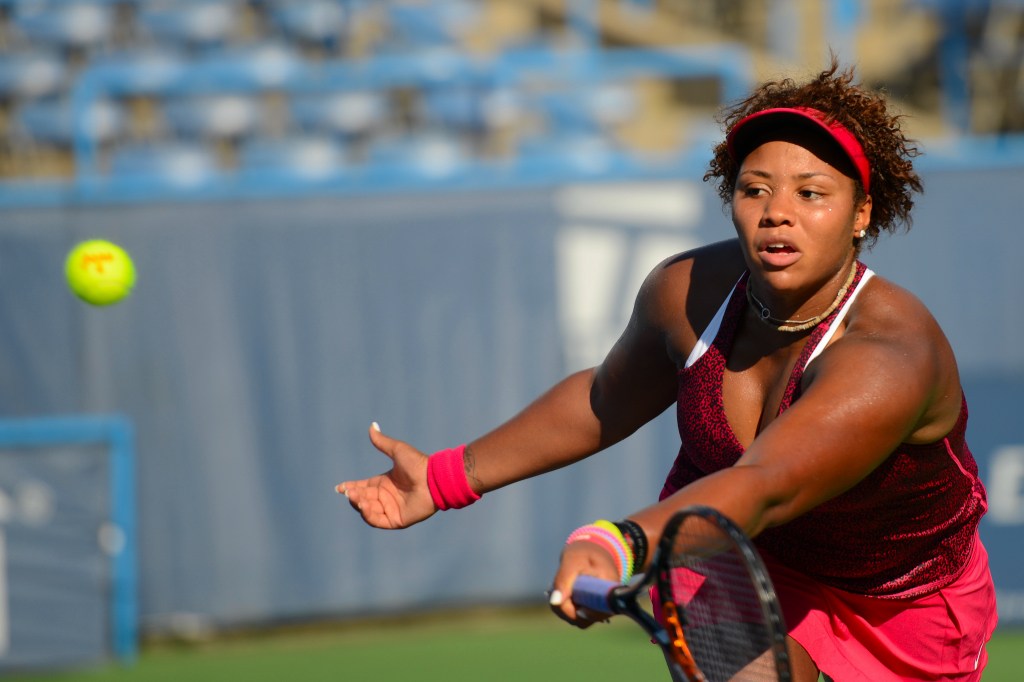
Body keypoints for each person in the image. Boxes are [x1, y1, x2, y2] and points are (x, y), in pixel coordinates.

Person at [337, 60, 997, 681]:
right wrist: (444, 478)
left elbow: (767, 484)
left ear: (861, 214)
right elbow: (605, 400)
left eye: (811, 193)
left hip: (900, 599)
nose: (777, 211)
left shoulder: (889, 357)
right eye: (755, 189)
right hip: (734, 555)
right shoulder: (686, 291)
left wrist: (618, 543)